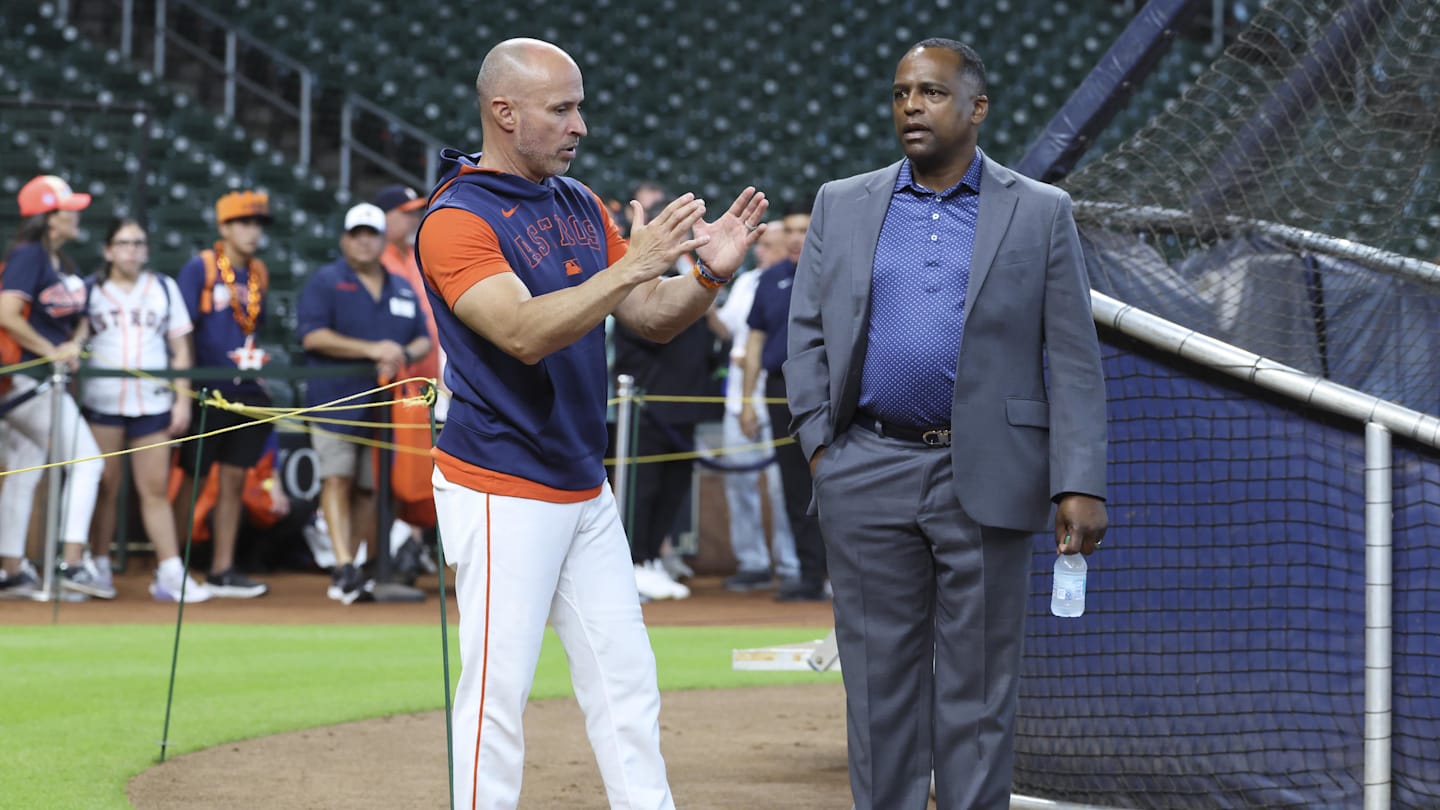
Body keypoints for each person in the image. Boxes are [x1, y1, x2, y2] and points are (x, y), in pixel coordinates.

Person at [415, 38, 766, 810]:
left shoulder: (577, 202)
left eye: (580, 107)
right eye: (562, 109)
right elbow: (521, 332)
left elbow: (650, 315)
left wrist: (709, 273)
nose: (581, 125)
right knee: (495, 699)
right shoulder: (455, 218)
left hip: (582, 482)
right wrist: (632, 263)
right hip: (500, 484)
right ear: (504, 113)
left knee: (627, 684)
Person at [786, 40, 1109, 809]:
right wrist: (823, 450)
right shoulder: (841, 202)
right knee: (878, 688)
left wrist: (1080, 481)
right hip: (866, 467)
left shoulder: (1040, 210)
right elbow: (807, 336)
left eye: (931, 92)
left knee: (980, 690)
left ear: (977, 107)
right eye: (901, 93)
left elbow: (1073, 357)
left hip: (990, 473)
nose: (911, 106)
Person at [296, 202, 431, 603]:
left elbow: (423, 337)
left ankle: (350, 566)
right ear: (345, 239)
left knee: (371, 489)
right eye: (357, 234)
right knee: (336, 478)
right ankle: (343, 564)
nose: (364, 242)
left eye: (371, 234)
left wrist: (400, 353)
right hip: (334, 398)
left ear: (382, 240)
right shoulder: (326, 281)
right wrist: (373, 350)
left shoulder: (400, 285)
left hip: (384, 405)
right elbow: (312, 336)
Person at [81, 217, 212, 602]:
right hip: (103, 399)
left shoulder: (164, 288)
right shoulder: (90, 290)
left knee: (154, 489)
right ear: (108, 250)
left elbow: (182, 350)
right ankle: (99, 565)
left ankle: (170, 572)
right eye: (123, 243)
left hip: (152, 400)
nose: (132, 251)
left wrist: (182, 400)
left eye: (138, 243)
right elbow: (75, 340)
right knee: (105, 486)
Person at [0, 175, 108, 599]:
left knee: (25, 468)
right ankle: (72, 562)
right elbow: (6, 313)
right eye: (68, 209)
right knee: (88, 460)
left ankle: (11, 568)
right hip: (25, 379)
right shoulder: (30, 255)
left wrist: (73, 344)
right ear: (48, 218)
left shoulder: (61, 261)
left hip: (43, 378)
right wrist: (51, 350)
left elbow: (79, 320)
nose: (76, 215)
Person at [172, 190, 277, 599]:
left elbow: (254, 328)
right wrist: (185, 388)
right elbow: (181, 330)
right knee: (193, 478)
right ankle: (172, 567)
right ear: (224, 227)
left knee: (234, 479)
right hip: (206, 389)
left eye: (258, 224)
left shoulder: (258, 272)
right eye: (244, 223)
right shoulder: (200, 268)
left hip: (246, 388)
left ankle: (222, 569)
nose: (253, 232)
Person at [739, 204, 826, 602]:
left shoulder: (835, 272)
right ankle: (810, 575)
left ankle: (842, 575)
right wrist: (747, 401)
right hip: (779, 390)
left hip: (828, 388)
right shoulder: (769, 278)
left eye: (803, 229)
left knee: (835, 483)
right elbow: (754, 341)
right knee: (794, 488)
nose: (795, 238)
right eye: (789, 230)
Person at [709, 223, 797, 591]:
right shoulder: (747, 282)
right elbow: (728, 331)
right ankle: (753, 562)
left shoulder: (800, 280)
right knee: (739, 484)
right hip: (738, 400)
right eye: (759, 246)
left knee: (783, 488)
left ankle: (791, 563)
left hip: (778, 398)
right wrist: (704, 300)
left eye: (769, 245)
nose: (760, 252)